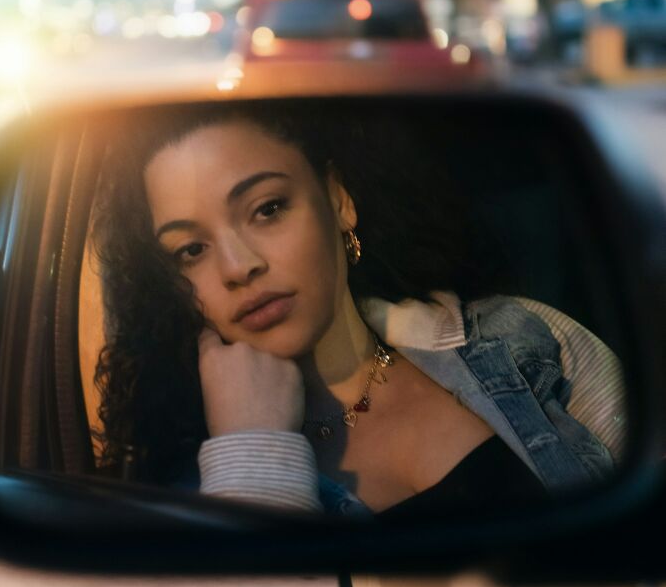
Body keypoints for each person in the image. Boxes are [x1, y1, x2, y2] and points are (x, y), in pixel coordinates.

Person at [90, 99, 625, 516]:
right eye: (191, 250)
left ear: (338, 200)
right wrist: (255, 453)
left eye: (267, 209)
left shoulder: (521, 340)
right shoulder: (193, 487)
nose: (237, 266)